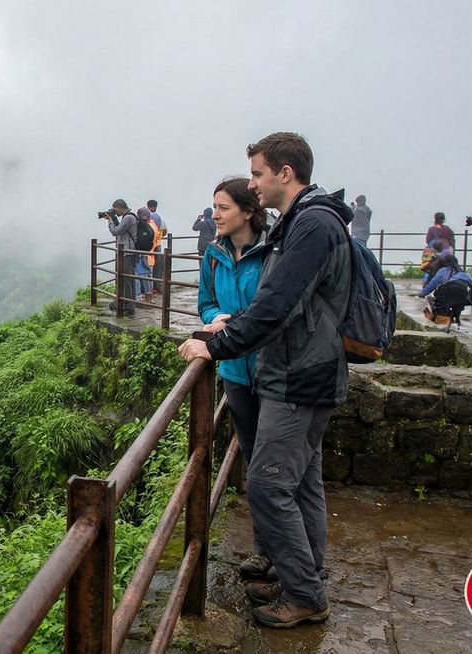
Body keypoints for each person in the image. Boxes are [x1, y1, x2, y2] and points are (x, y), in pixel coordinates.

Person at [178, 132, 351, 629]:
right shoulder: (305, 221)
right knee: (301, 485)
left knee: (269, 485)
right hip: (302, 370)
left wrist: (216, 346)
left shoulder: (312, 225)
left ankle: (303, 595)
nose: (253, 184)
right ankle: (305, 574)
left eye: (256, 173)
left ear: (285, 173)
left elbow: (274, 306)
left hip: (299, 375)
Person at [195, 177, 271, 580]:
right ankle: (266, 548)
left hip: (274, 370)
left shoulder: (273, 250)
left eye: (223, 208)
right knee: (256, 457)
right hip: (235, 372)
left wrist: (234, 324)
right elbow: (205, 303)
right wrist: (215, 319)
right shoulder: (214, 254)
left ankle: (280, 552)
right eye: (214, 207)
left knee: (272, 466)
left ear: (247, 210)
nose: (215, 215)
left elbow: (271, 309)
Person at [102, 198, 137, 316]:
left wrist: (110, 220)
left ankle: (129, 307)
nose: (114, 211)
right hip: (128, 252)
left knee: (127, 280)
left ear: (120, 207)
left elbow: (115, 232)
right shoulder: (127, 217)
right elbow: (121, 230)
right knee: (128, 279)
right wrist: (114, 218)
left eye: (115, 209)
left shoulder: (128, 218)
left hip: (128, 252)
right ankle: (127, 304)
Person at [134, 207, 159, 301]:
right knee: (147, 276)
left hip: (143, 254)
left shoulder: (143, 226)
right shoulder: (153, 225)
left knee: (137, 276)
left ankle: (138, 297)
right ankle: (148, 298)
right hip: (150, 254)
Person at [148, 199, 167, 294]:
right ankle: (157, 285)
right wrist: (159, 237)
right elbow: (165, 231)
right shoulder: (160, 218)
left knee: (147, 266)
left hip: (148, 246)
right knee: (157, 266)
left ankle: (148, 287)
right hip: (158, 244)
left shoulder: (146, 217)